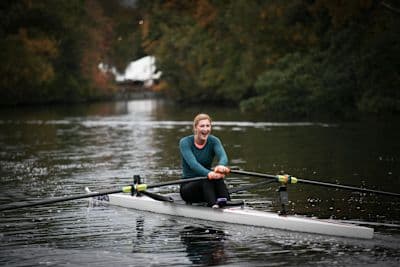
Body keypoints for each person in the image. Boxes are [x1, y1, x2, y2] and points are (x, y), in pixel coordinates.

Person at [179, 113, 231, 208]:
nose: (205, 129)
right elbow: (193, 165)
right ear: (195, 128)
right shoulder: (185, 142)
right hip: (188, 188)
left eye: (208, 126)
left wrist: (221, 166)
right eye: (202, 126)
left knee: (218, 177)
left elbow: (223, 157)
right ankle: (213, 205)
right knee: (207, 179)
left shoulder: (214, 141)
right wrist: (209, 173)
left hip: (208, 186)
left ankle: (227, 203)